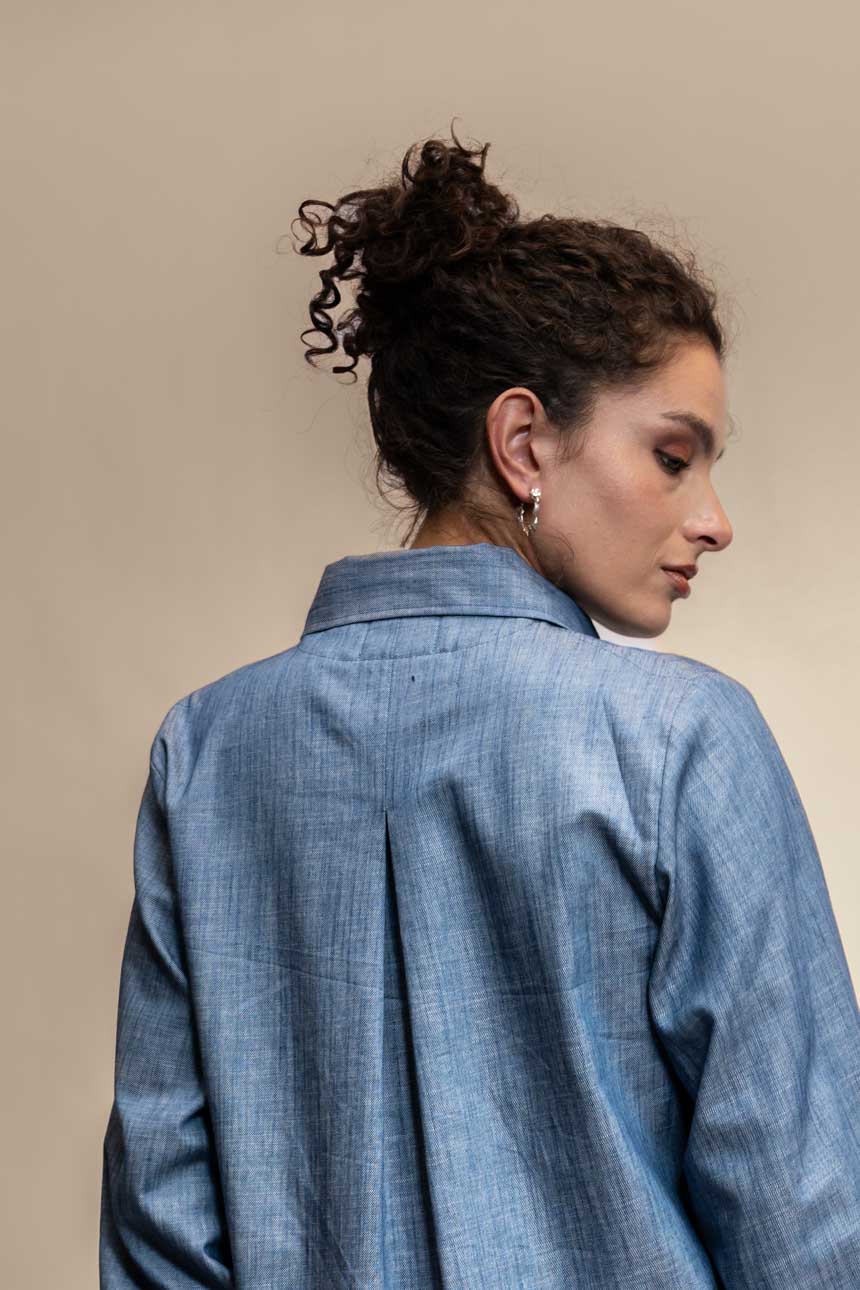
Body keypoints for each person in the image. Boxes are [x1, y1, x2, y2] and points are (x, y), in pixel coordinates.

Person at [99, 127, 860, 1288]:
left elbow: (162, 1234)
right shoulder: (678, 742)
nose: (712, 520)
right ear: (521, 443)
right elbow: (804, 1222)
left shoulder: (208, 752)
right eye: (672, 457)